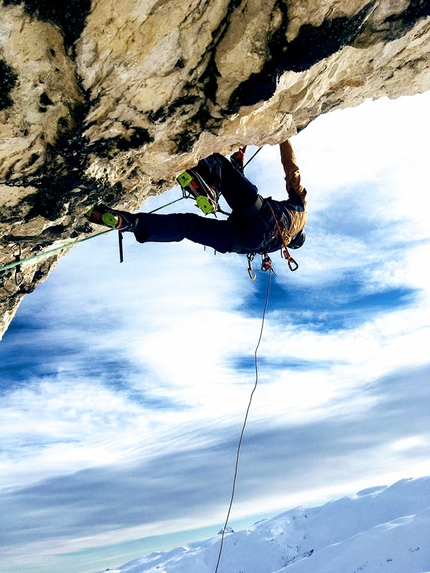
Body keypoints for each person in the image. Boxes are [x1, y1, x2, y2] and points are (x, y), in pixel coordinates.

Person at [85, 139, 307, 269]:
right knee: (186, 226)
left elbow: (292, 172)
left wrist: (284, 138)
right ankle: (130, 223)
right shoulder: (275, 246)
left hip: (257, 214)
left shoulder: (301, 213)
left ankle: (208, 182)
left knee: (220, 167)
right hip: (240, 242)